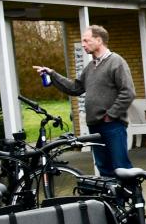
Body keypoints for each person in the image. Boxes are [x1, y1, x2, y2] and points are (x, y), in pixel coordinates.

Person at [33, 25, 135, 178]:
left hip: (112, 125)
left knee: (121, 167)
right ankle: (111, 202)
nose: (83, 44)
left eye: (86, 41)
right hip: (95, 126)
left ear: (99, 40)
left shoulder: (116, 62)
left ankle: (135, 200)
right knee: (104, 168)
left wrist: (111, 115)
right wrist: (52, 74)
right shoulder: (91, 66)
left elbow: (128, 92)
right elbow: (75, 88)